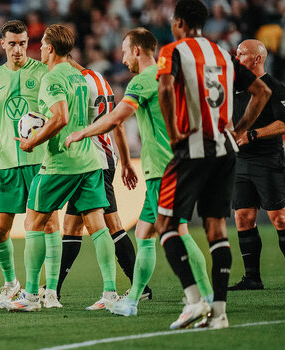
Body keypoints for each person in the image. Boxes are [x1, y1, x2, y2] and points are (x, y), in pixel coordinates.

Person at [65, 27, 214, 316]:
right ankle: (132, 300)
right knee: (144, 233)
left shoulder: (144, 80)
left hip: (165, 168)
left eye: (124, 51)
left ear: (137, 50)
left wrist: (82, 132)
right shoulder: (173, 76)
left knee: (178, 231)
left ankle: (207, 296)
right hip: (177, 163)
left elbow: (116, 118)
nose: (122, 59)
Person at [155, 0, 270, 329]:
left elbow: (165, 87)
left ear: (178, 22)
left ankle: (193, 301)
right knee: (216, 230)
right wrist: (240, 129)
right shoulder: (223, 54)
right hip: (225, 150)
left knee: (165, 227)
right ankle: (219, 314)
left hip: (191, 149)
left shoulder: (173, 50)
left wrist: (174, 131)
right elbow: (261, 92)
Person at [6, 24, 116, 312]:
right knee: (98, 226)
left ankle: (31, 296)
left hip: (60, 163)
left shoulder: (52, 78)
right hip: (89, 161)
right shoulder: (81, 77)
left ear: (51, 48)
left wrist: (32, 143)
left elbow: (61, 118)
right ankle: (110, 293)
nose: (39, 49)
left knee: (33, 223)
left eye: (42, 44)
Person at [52, 55, 145, 309]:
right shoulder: (99, 80)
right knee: (72, 226)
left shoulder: (78, 84)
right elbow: (117, 124)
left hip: (92, 162)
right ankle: (53, 291)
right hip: (103, 157)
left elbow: (65, 120)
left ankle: (138, 287)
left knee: (109, 224)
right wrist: (124, 161)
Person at [0, 20, 60, 309]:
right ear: (2, 44)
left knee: (49, 225)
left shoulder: (42, 72)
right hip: (8, 163)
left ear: (29, 43)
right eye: (12, 43)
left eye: (23, 43)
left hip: (39, 161)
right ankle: (12, 283)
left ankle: (49, 291)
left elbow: (56, 112)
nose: (18, 49)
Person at [229, 39, 285, 290]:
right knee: (243, 218)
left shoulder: (275, 87)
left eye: (241, 54)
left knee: (280, 219)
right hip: (241, 162)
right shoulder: (235, 89)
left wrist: (253, 134)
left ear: (257, 58)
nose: (236, 58)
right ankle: (252, 278)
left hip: (268, 161)